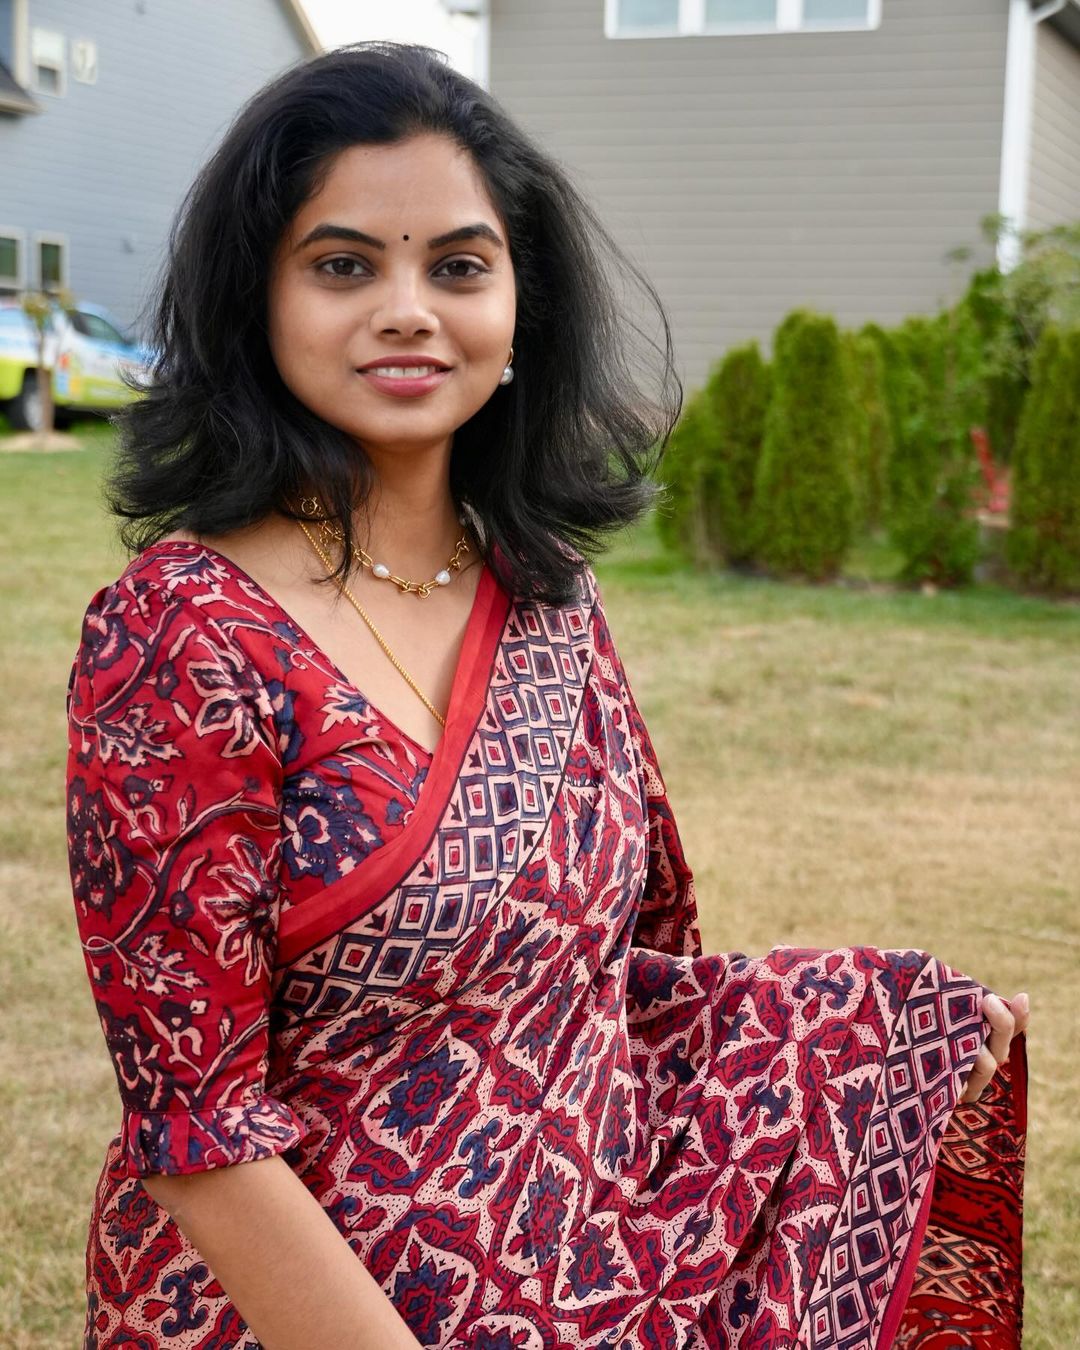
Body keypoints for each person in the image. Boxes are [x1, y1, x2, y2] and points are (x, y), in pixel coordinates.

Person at [66, 43, 1028, 1350]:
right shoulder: (177, 636)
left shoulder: (550, 597)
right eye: (345, 263)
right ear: (259, 300)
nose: (408, 308)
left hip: (588, 1283)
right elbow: (197, 1133)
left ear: (522, 309)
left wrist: (891, 1026)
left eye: (458, 265)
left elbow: (614, 983)